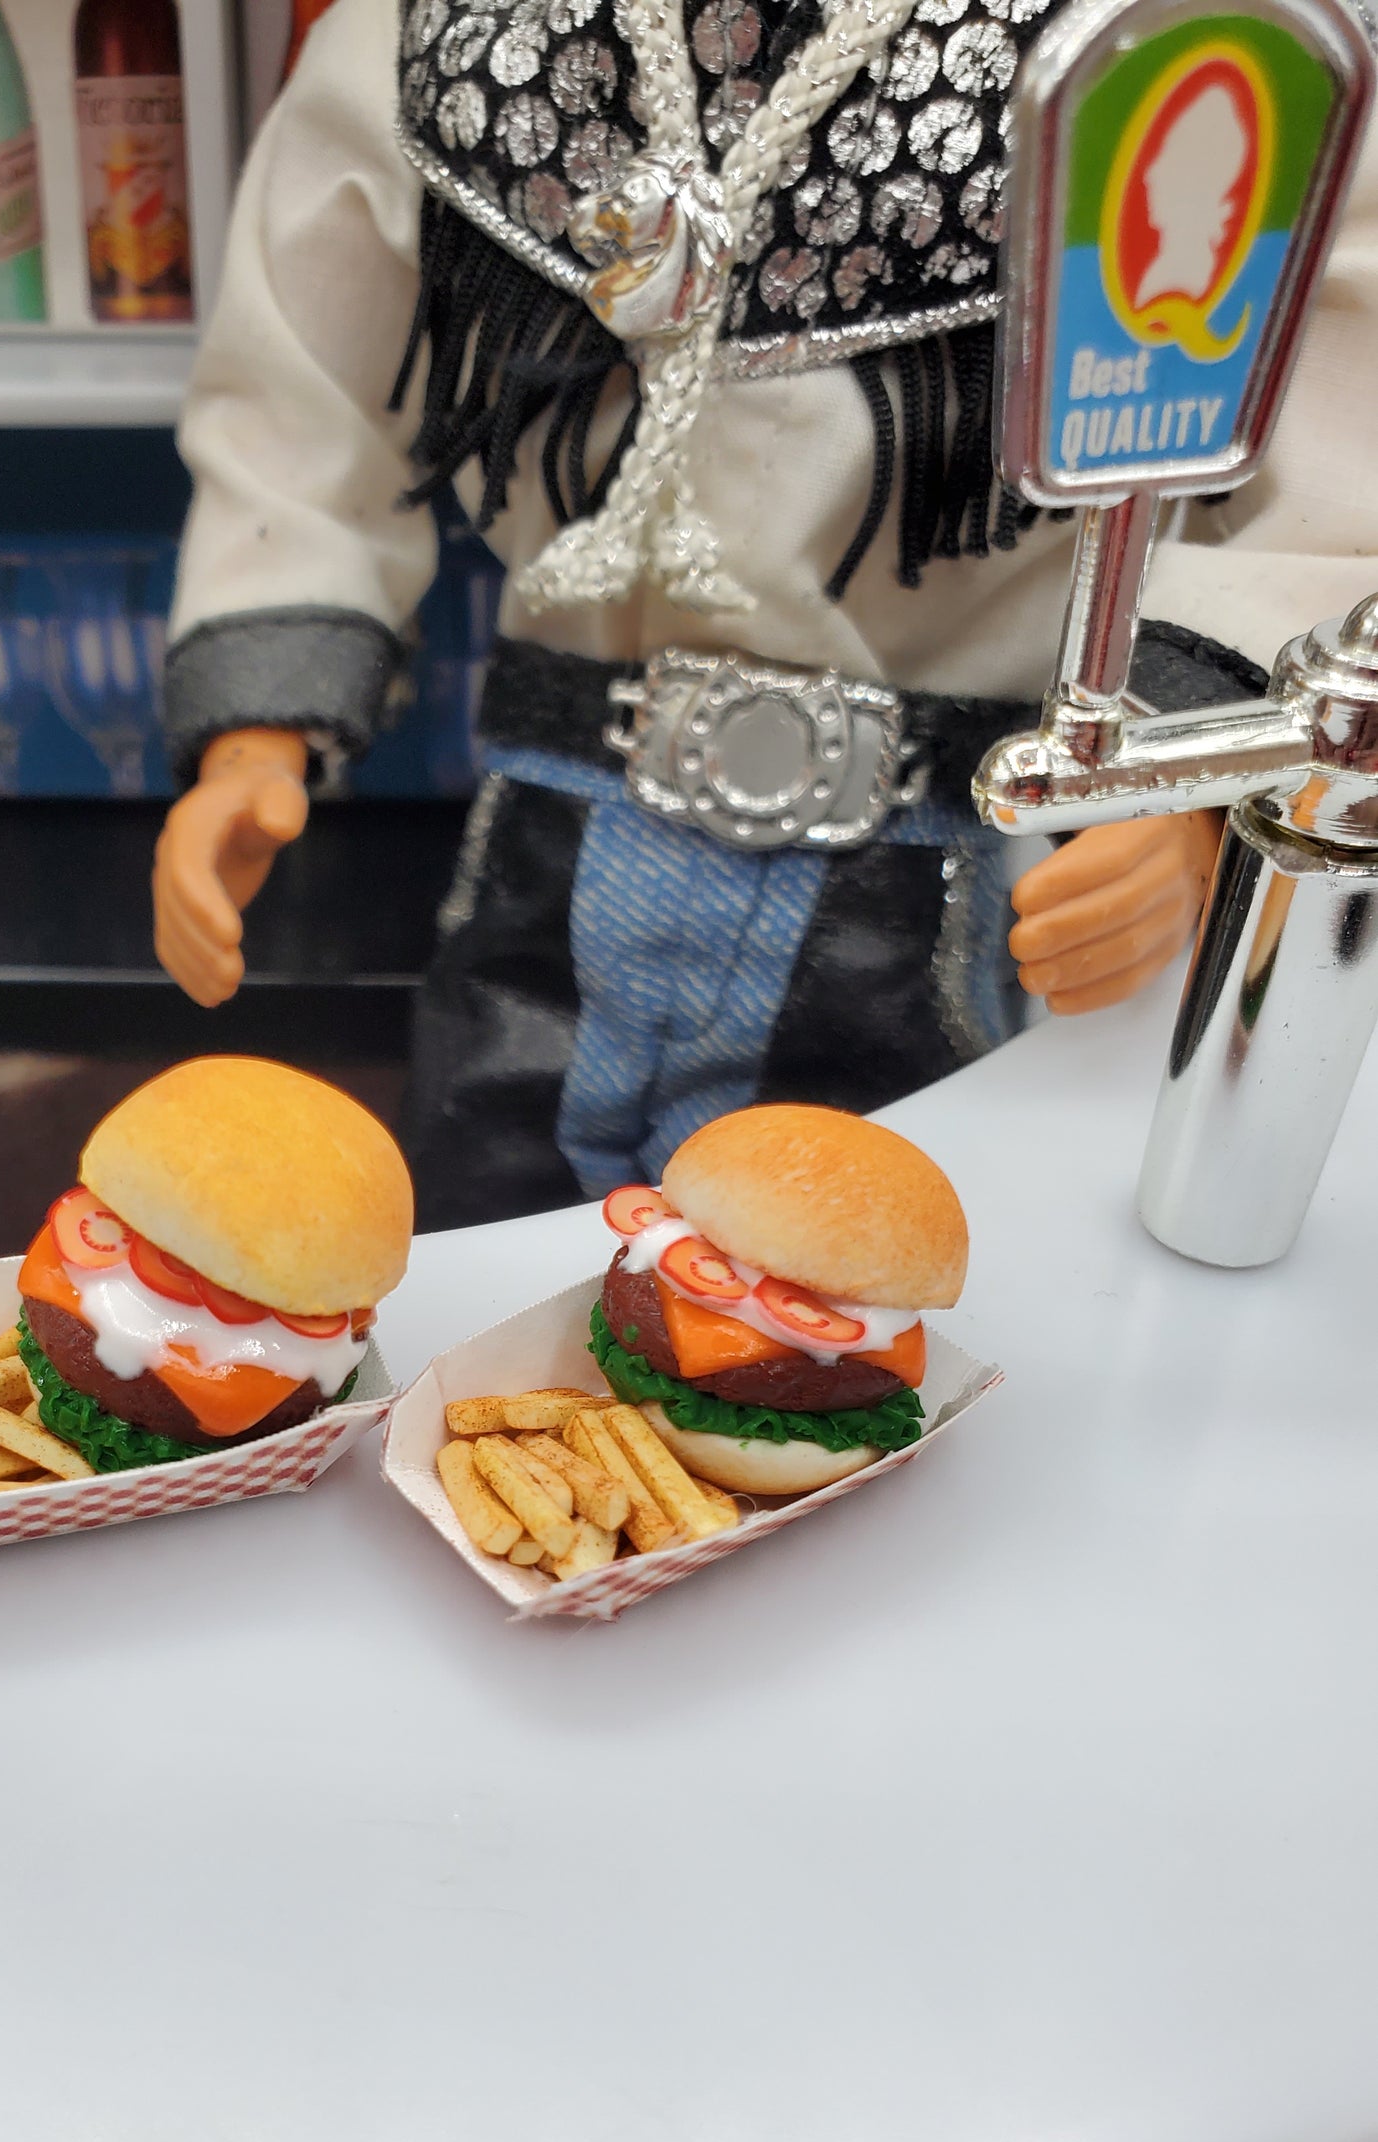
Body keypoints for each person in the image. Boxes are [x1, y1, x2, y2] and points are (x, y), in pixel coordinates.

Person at [149, 0, 1375, 1226]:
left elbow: (1328, 455)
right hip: (555, 846)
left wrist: (1177, 787)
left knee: (897, 1276)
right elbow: (304, 386)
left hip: (957, 865)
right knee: (492, 1272)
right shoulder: (447, 24)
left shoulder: (1186, 30)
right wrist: (257, 731)